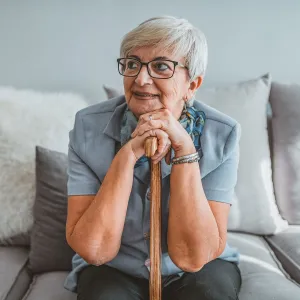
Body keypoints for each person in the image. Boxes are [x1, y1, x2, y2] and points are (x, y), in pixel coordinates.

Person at [64, 15, 242, 300]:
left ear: (192, 84)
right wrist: (129, 153)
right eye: (132, 64)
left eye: (161, 66)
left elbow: (193, 257)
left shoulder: (224, 134)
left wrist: (185, 151)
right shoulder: (87, 126)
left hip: (201, 269)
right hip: (114, 266)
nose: (141, 79)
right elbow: (94, 250)